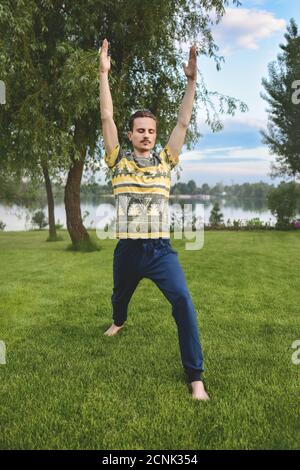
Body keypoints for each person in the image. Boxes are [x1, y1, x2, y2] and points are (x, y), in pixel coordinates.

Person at [99, 38, 209, 400]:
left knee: (184, 303)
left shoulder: (166, 160)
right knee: (119, 297)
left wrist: (191, 82)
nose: (146, 135)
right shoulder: (118, 161)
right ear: (130, 135)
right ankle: (119, 321)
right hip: (128, 251)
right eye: (140, 130)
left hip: (160, 251)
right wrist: (103, 75)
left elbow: (183, 120)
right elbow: (107, 117)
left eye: (151, 130)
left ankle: (195, 378)